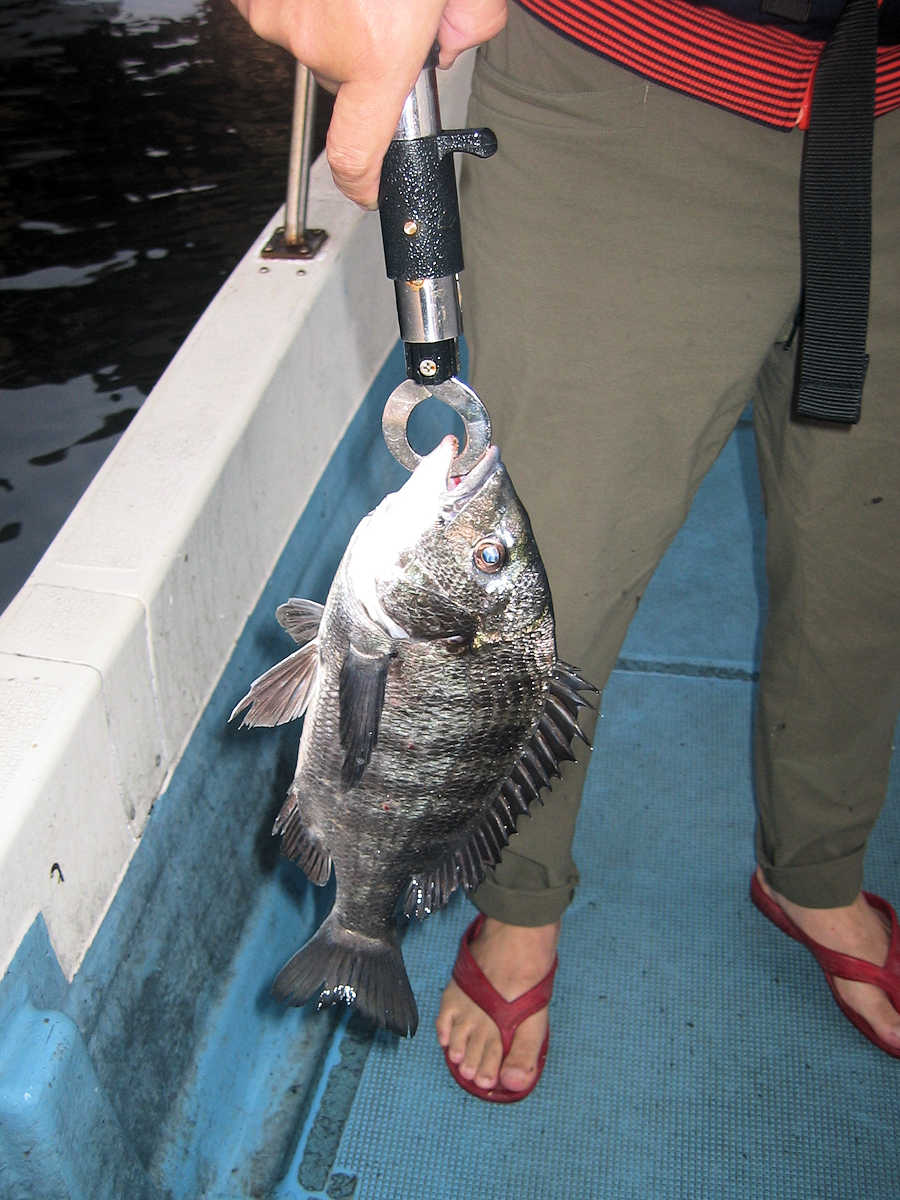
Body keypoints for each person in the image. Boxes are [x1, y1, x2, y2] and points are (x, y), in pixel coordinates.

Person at [232, 0, 900, 1098]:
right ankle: (520, 897)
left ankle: (817, 868)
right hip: (638, 78)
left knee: (864, 569)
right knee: (561, 589)